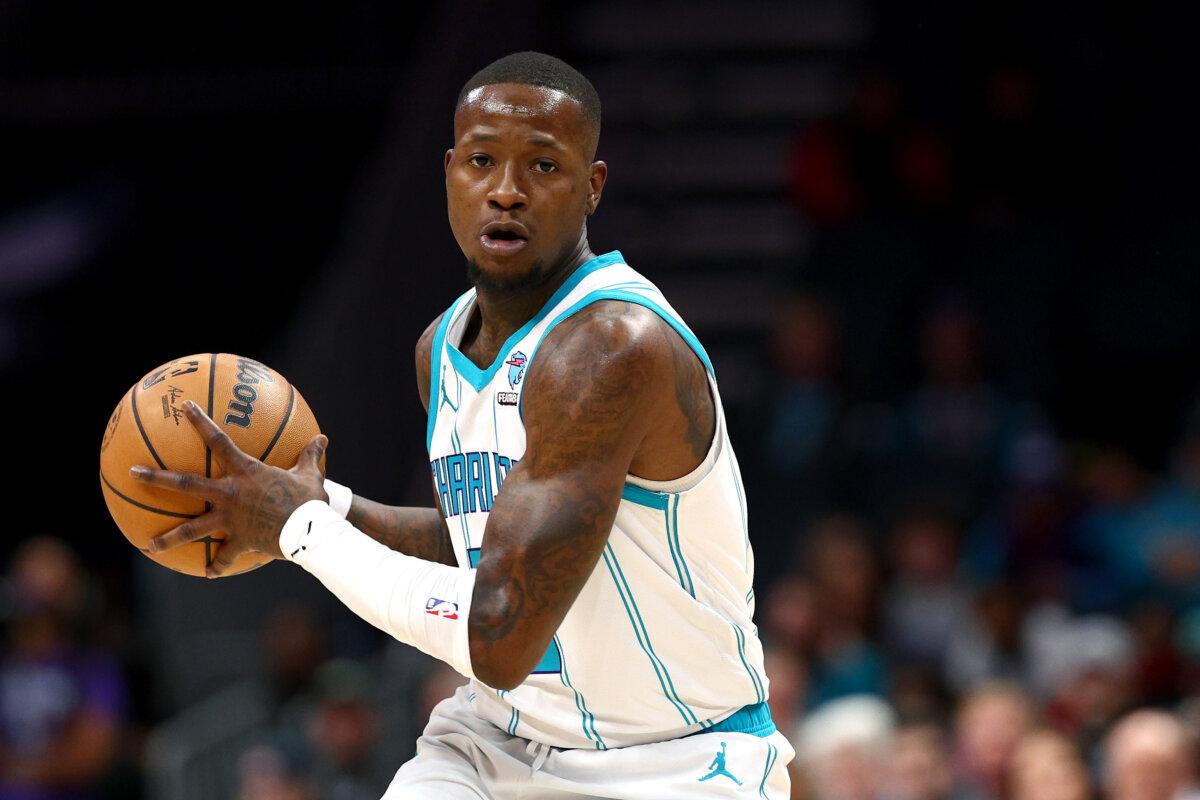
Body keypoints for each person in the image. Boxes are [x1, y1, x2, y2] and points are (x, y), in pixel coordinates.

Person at [129, 51, 792, 798]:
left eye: (543, 166)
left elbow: (499, 634)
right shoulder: (441, 347)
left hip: (672, 760)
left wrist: (300, 533)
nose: (506, 191)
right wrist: (324, 506)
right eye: (482, 160)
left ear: (592, 187)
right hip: (498, 741)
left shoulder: (611, 349)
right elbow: (476, 544)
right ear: (450, 173)